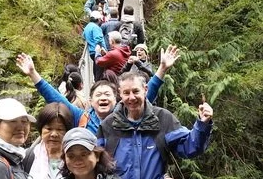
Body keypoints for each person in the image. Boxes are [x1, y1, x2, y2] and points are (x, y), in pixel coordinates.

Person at [17, 49, 176, 134]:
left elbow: (144, 97)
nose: (103, 98)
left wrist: (162, 69)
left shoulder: (126, 113)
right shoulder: (81, 118)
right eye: (98, 95)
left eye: (107, 94)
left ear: (116, 99)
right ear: (90, 101)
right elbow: (57, 99)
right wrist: (33, 74)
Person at [82, 12, 107, 78]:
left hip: (91, 52)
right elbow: (98, 40)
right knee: (100, 71)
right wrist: (104, 50)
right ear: (98, 19)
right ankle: (98, 84)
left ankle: (96, 81)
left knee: (96, 69)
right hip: (98, 52)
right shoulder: (95, 27)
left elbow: (83, 36)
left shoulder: (87, 26)